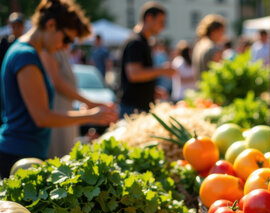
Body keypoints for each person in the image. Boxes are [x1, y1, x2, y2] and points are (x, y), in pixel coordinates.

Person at [0, 0, 117, 178]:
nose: (66, 46)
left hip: (26, 152)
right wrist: (91, 116)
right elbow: (42, 117)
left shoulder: (31, 53)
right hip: (17, 155)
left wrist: (86, 110)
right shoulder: (25, 55)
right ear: (51, 25)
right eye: (66, 39)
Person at [117, 1, 175, 117]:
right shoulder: (136, 42)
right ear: (149, 18)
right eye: (161, 22)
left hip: (137, 107)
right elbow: (134, 74)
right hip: (133, 109)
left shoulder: (143, 42)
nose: (163, 26)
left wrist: (151, 90)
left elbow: (140, 75)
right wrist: (162, 70)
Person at [0, 12, 26, 121]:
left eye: (18, 26)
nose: (16, 29)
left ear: (23, 27)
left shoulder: (27, 43)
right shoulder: (4, 42)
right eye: (13, 26)